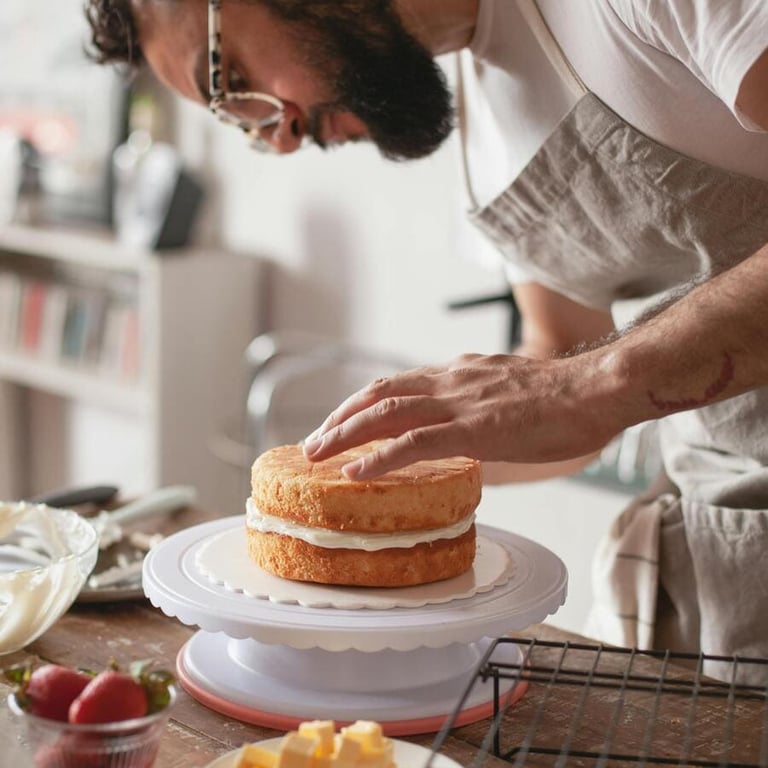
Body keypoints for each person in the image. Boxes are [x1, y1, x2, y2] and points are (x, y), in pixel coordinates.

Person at [85, 0, 768, 674]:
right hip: (722, 555)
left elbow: (580, 387)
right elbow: (561, 357)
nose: (278, 137)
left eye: (228, 77)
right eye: (235, 119)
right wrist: (395, 460)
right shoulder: (485, 142)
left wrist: (591, 386)